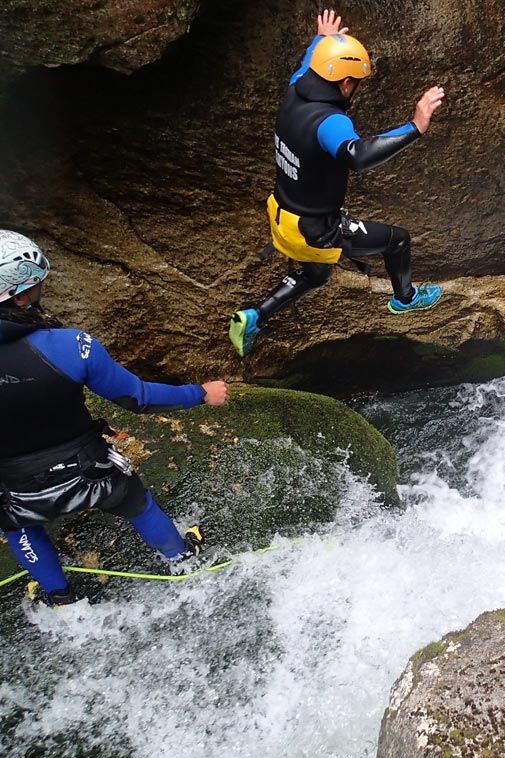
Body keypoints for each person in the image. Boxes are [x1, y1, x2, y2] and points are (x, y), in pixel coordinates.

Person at [0, 230, 229, 605]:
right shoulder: (71, 346)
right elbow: (138, 397)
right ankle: (183, 560)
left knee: (17, 524)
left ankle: (58, 598)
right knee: (137, 502)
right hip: (89, 471)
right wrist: (200, 393)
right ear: (21, 295)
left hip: (14, 486)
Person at [229, 9, 446, 357]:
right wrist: (415, 126)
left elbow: (306, 64)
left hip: (283, 216)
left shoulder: (294, 90)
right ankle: (405, 299)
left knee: (316, 274)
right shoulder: (328, 122)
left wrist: (322, 40)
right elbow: (357, 155)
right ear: (346, 83)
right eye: (356, 83)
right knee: (397, 241)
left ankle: (254, 315)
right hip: (318, 228)